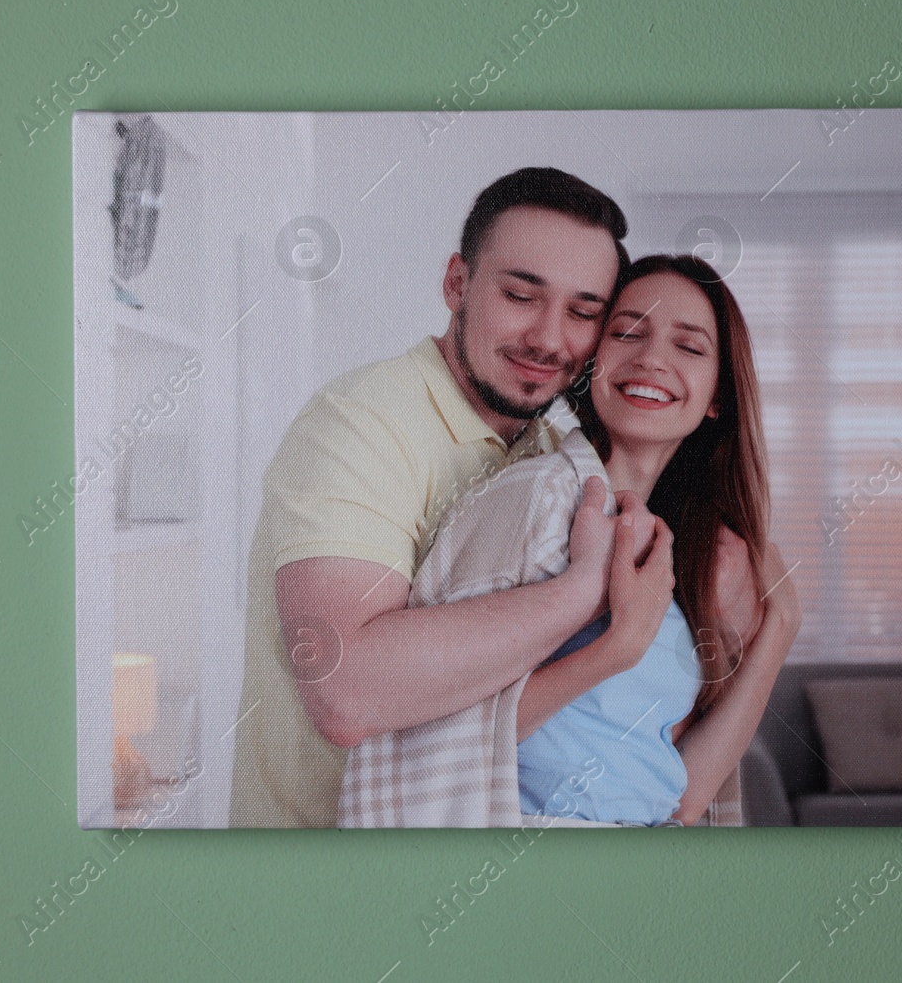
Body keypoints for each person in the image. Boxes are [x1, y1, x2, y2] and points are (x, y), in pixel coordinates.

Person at [227, 168, 791, 826]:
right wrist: (588, 600)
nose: (550, 338)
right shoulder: (361, 423)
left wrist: (776, 625)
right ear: (457, 284)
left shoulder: (558, 455)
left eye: (584, 312)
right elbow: (345, 693)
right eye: (522, 294)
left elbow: (666, 778)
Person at [340, 255, 802, 827]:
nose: (652, 358)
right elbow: (436, 740)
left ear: (717, 399)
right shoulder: (539, 502)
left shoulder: (672, 559)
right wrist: (615, 648)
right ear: (591, 366)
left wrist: (780, 629)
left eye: (690, 347)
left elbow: (680, 798)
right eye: (628, 332)